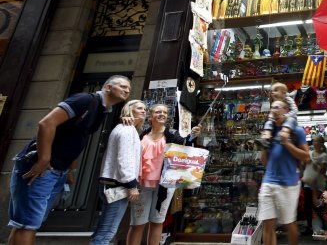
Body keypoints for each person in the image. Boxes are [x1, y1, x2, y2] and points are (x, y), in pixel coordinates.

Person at [8, 75, 131, 245]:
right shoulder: (84, 100)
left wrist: (70, 169)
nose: (126, 90)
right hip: (43, 167)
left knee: (26, 222)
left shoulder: (103, 110)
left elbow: (80, 138)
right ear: (108, 87)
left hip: (59, 170)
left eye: (128, 89)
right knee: (28, 224)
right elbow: (46, 123)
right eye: (123, 86)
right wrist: (44, 159)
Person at [127, 104, 200, 245]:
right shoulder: (141, 134)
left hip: (164, 186)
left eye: (165, 112)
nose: (162, 114)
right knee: (137, 223)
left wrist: (192, 136)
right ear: (150, 116)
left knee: (157, 222)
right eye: (158, 111)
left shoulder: (172, 135)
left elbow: (184, 144)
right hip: (142, 185)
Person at [91, 100, 146, 244]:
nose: (143, 111)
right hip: (117, 185)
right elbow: (125, 159)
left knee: (103, 229)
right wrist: (131, 185)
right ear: (129, 110)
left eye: (145, 108)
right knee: (107, 231)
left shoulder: (125, 128)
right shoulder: (127, 129)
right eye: (139, 108)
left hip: (110, 183)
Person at [259, 100, 309, 245]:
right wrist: (264, 144)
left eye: (277, 107)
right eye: (272, 107)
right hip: (268, 182)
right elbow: (264, 162)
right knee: (267, 224)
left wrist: (286, 142)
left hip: (288, 184)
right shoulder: (269, 130)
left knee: (289, 224)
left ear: (286, 110)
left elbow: (306, 157)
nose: (273, 110)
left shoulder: (296, 131)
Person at [257, 82, 298, 148]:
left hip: (289, 119)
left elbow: (295, 110)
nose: (272, 92)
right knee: (268, 122)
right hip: (278, 120)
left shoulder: (288, 99)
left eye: (275, 90)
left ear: (283, 92)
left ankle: (284, 134)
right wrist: (271, 117)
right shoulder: (274, 102)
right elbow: (272, 112)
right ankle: (266, 136)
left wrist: (285, 116)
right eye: (272, 91)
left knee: (290, 120)